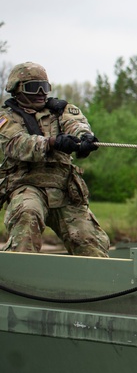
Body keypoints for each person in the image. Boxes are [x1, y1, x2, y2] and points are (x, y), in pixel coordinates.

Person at [0, 61, 109, 256]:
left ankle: (101, 283)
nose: (42, 92)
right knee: (27, 217)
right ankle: (18, 279)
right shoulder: (6, 118)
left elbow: (76, 125)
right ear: (17, 89)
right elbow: (17, 144)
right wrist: (52, 142)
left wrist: (84, 138)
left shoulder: (61, 110)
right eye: (34, 87)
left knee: (89, 241)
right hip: (27, 185)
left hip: (64, 189)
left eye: (46, 87)